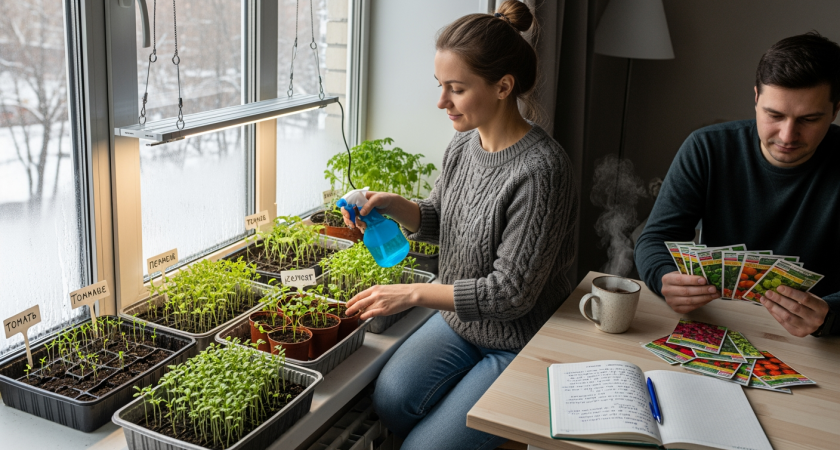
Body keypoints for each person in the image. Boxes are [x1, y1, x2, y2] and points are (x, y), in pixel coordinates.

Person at [340, 2, 578, 448]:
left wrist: (412, 294)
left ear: (503, 86)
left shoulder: (542, 171)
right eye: (440, 86)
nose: (441, 101)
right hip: (461, 323)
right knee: (390, 401)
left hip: (520, 339)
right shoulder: (463, 145)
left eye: (456, 89)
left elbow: (510, 293)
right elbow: (440, 218)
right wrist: (393, 204)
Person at [635, 31, 840, 338]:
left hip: (818, 342)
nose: (787, 136)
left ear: (835, 111)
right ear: (756, 98)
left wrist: (831, 315)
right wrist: (665, 277)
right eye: (774, 115)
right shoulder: (707, 148)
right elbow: (656, 238)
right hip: (719, 323)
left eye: (809, 119)